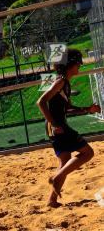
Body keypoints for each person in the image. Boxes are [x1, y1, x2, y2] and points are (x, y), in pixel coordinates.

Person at [37, 47, 100, 207]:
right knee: (88, 153)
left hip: (55, 125)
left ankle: (52, 200)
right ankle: (56, 178)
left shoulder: (64, 82)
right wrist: (54, 123)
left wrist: (87, 109)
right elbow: (41, 102)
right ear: (71, 64)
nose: (80, 66)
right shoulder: (61, 81)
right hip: (57, 125)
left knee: (65, 160)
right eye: (78, 63)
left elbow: (67, 109)